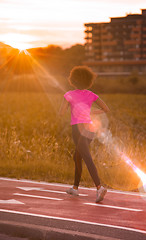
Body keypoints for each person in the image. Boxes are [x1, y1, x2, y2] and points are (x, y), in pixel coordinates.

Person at [58, 66, 110, 203]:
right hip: (90, 129)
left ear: (73, 80)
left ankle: (99, 187)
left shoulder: (69, 94)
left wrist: (66, 105)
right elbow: (106, 109)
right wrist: (92, 112)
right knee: (77, 157)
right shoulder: (91, 94)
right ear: (88, 80)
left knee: (86, 157)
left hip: (78, 129)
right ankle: (75, 188)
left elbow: (61, 113)